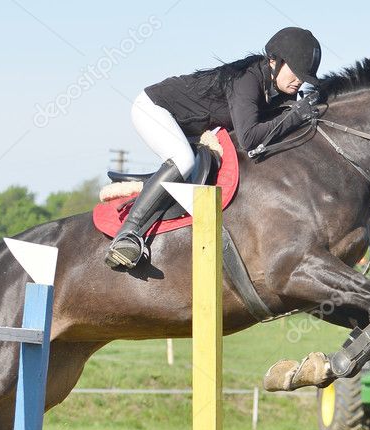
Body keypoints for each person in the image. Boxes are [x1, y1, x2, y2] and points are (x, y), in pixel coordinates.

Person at [106, 26, 323, 269]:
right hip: (154, 108)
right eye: (296, 73)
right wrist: (296, 116)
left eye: (305, 77)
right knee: (183, 159)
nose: (300, 81)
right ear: (274, 61)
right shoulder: (247, 80)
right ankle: (128, 234)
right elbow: (250, 138)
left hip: (188, 128)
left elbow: (277, 131)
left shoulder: (277, 90)